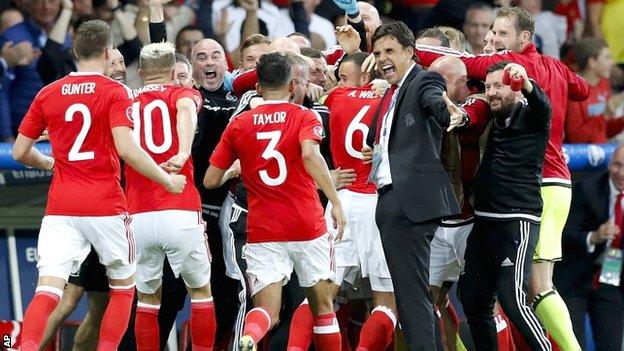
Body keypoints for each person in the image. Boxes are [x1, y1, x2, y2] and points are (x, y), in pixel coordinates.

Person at [414, 8, 590, 350]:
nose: (494, 39)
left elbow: (457, 59)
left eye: (501, 33)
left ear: (524, 39)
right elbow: (581, 90)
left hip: (535, 186)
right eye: (491, 32)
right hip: (555, 184)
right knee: (486, 295)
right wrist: (554, 73)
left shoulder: (513, 71)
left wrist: (403, 46)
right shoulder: (553, 66)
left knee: (533, 288)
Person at [11, 19, 186, 351]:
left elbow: (20, 151)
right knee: (122, 288)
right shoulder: (114, 91)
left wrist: (51, 162)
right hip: (105, 205)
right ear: (108, 53)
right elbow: (126, 148)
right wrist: (166, 179)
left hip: (60, 207)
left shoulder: (48, 92)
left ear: (76, 52)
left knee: (48, 291)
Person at [204, 51, 346, 351]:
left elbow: (210, 181)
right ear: (292, 86)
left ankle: (249, 337)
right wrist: (335, 202)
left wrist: (235, 169)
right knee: (323, 308)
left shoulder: (240, 124)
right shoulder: (305, 116)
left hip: (264, 228)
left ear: (258, 87)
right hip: (306, 223)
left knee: (267, 310)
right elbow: (310, 154)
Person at [361, 21, 465, 350]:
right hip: (393, 201)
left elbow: (435, 100)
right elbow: (379, 138)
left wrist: (445, 109)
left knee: (410, 296)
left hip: (411, 203)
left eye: (390, 51)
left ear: (410, 52)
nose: (382, 58)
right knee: (413, 294)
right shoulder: (392, 93)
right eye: (378, 53)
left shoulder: (423, 79)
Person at [288, 51, 397, 351]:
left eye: (343, 77)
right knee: (387, 302)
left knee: (321, 297)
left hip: (341, 202)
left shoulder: (335, 99)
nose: (337, 82)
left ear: (362, 77)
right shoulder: (393, 99)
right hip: (380, 203)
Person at [459, 61, 552, 351]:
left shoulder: (530, 113)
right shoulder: (492, 114)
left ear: (515, 86)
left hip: (516, 220)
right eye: (488, 87)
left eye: (499, 86)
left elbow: (543, 104)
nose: (492, 93)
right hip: (484, 221)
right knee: (472, 298)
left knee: (512, 301)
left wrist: (524, 82)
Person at [128, 42, 216, 351]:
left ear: (140, 74)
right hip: (179, 207)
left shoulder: (125, 102)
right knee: (201, 292)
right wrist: (181, 151)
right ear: (171, 73)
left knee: (148, 299)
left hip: (137, 213)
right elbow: (186, 110)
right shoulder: (183, 94)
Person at [190, 38, 240, 348]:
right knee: (167, 302)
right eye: (201, 57)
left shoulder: (242, 99)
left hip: (227, 215)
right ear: (192, 67)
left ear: (226, 63)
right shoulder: (187, 100)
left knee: (224, 301)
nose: (209, 62)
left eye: (215, 56)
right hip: (190, 213)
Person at [554, 145, 624, 351]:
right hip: (575, 278)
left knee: (611, 344)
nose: (621, 173)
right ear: (610, 165)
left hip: (611, 278)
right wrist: (593, 237)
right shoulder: (587, 190)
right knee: (573, 345)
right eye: (617, 165)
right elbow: (563, 234)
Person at [565, 38, 624, 143]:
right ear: (592, 62)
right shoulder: (574, 90)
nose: (612, 63)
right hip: (582, 157)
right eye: (607, 58)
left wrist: (621, 121)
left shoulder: (604, 83)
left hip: (602, 151)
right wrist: (605, 115)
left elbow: (605, 131)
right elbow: (575, 138)